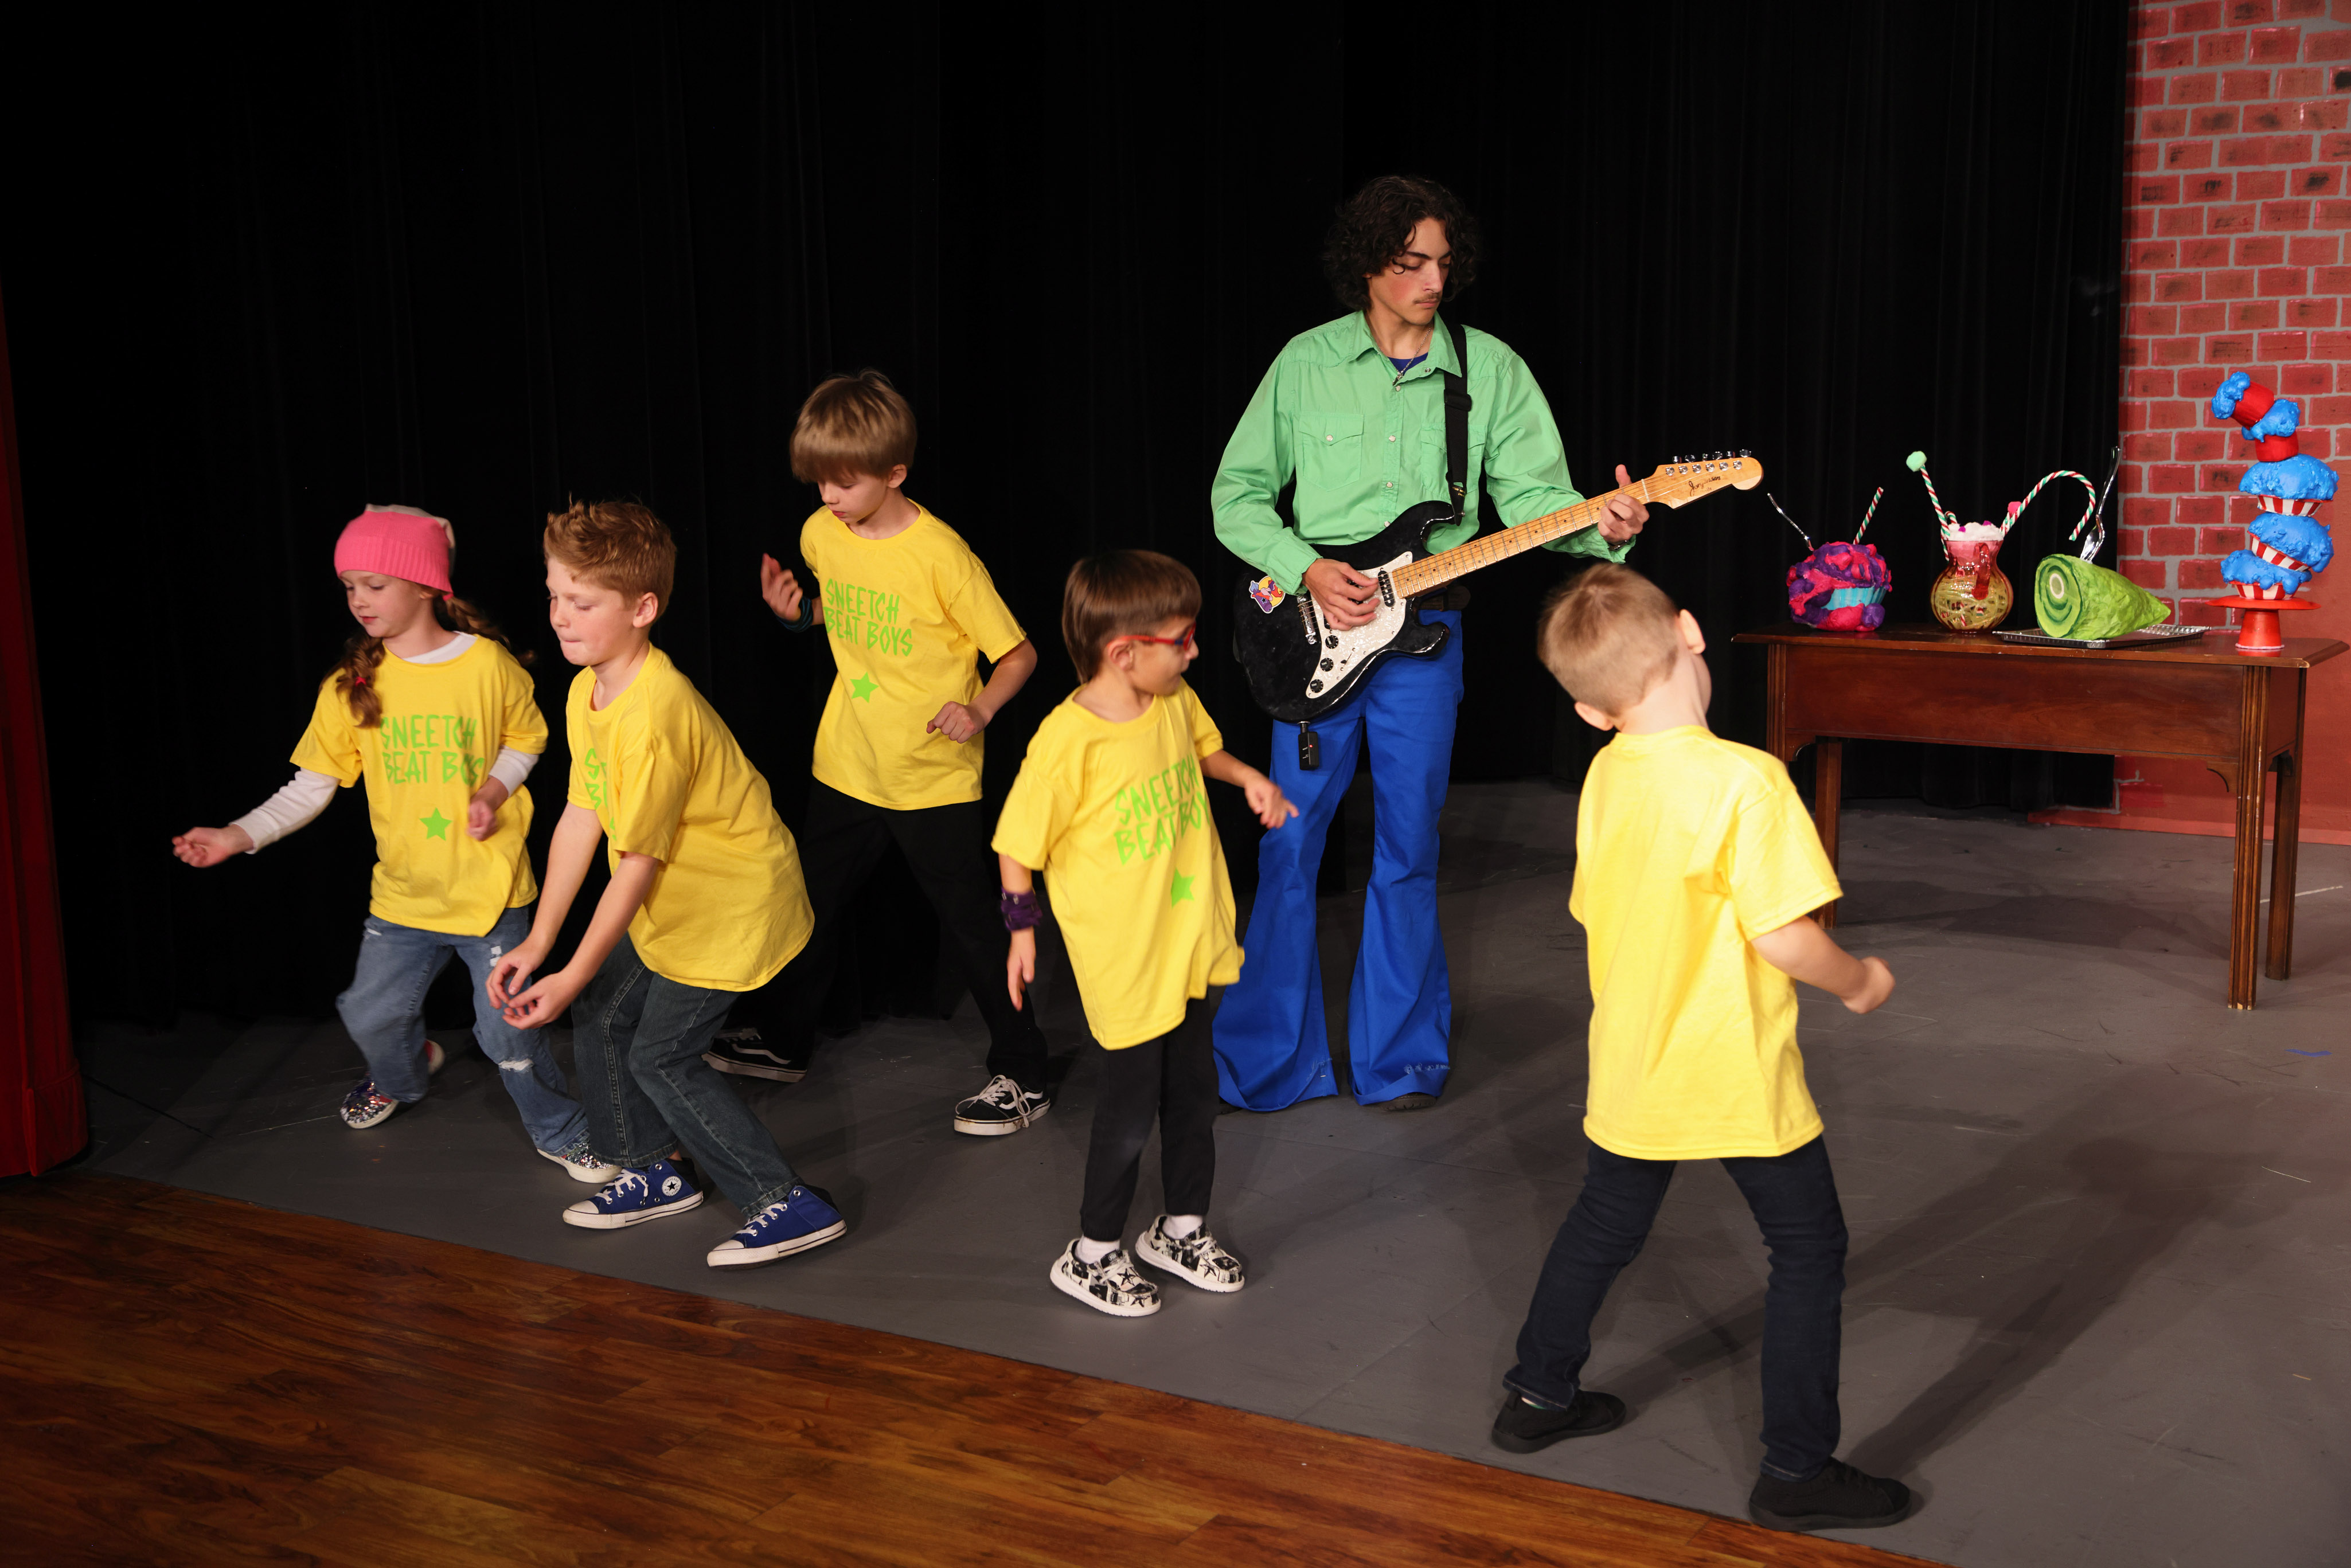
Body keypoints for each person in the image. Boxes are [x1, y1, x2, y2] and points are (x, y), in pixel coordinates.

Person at [1209, 174, 1648, 1114]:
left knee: (1407, 849)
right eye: (1412, 263)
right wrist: (1304, 565)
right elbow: (1235, 496)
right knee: (1290, 848)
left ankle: (1400, 1061)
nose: (1433, 282)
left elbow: (1533, 502)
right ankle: (1266, 1063)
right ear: (1369, 264)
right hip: (1317, 635)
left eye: (1444, 263)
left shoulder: (1489, 370)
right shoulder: (1305, 364)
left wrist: (1603, 522)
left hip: (1427, 635)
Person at [1492, 564, 1913, 1535]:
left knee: (1604, 1224)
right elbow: (1785, 937)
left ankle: (1539, 1394)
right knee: (1808, 1249)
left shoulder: (1605, 774)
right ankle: (1797, 1470)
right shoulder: (1747, 781)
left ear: (1591, 712)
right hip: (1732, 1069)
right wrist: (1859, 981)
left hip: (1631, 1059)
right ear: (1690, 629)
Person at [170, 506, 610, 1180]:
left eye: (374, 584)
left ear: (427, 585)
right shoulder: (352, 685)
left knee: (508, 1032)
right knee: (370, 1015)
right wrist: (238, 835)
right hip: (404, 898)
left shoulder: (485, 666)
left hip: (489, 896)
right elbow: (310, 785)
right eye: (350, 586)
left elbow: (527, 739)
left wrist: (493, 791)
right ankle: (404, 1075)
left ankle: (562, 1128)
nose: (358, 599)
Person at [487, 501, 845, 1269]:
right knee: (603, 1011)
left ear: (642, 608)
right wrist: (543, 944)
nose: (560, 616)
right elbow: (582, 814)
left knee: (662, 1056)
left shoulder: (655, 714)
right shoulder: (587, 692)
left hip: (730, 904)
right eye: (555, 595)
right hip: (674, 901)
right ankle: (655, 1169)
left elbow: (637, 863)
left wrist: (569, 970)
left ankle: (785, 1199)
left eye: (582, 602)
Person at [708, 370, 1053, 1136]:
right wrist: (798, 614)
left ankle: (1025, 1070)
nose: (829, 495)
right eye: (819, 480)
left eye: (845, 480)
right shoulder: (820, 533)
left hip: (931, 775)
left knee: (972, 927)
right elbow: (838, 608)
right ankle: (784, 1039)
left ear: (895, 472)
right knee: (808, 903)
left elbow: (1019, 653)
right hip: (848, 762)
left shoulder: (942, 556)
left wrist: (979, 708)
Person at [994, 551, 1296, 1317]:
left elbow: (1203, 750)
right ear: (1124, 652)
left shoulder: (1172, 699)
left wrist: (1248, 778)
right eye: (1181, 639)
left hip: (1186, 941)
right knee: (1128, 1112)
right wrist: (1023, 933)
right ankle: (1092, 1252)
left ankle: (1179, 1229)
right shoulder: (1067, 741)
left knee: (1194, 1096)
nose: (1193, 651)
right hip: (1125, 961)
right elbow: (1016, 846)